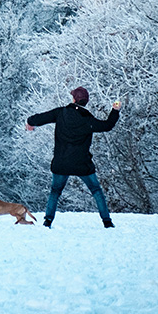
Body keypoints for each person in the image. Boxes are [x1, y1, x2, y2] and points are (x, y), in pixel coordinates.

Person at [25, 87, 121, 228]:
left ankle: (48, 221)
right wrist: (115, 110)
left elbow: (38, 118)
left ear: (74, 99)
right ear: (86, 102)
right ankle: (107, 222)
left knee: (55, 192)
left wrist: (30, 123)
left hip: (61, 163)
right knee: (96, 191)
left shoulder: (60, 113)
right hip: (82, 164)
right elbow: (107, 125)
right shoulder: (88, 120)